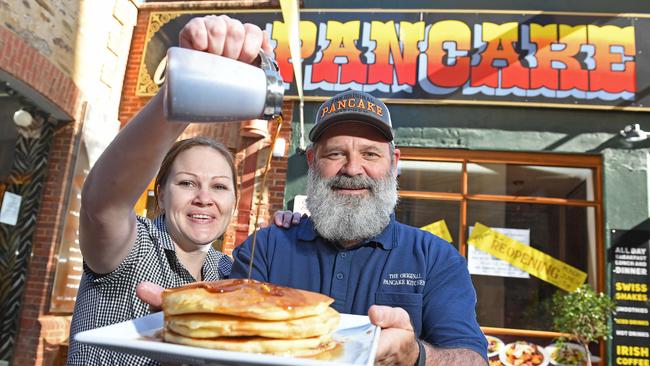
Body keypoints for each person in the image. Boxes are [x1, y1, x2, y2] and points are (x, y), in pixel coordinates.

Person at [67, 15, 275, 366]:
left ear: (234, 202)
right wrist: (184, 89)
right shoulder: (133, 248)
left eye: (220, 187)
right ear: (161, 194)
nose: (204, 198)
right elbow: (102, 206)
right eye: (187, 183)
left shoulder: (228, 272)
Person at [229, 90, 489, 366]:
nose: (353, 169)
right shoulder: (266, 250)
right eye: (335, 153)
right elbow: (225, 343)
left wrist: (415, 355)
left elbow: (473, 360)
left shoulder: (436, 259)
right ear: (311, 162)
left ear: (394, 163)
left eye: (370, 154)